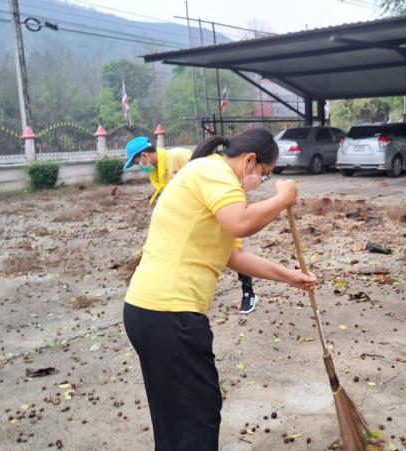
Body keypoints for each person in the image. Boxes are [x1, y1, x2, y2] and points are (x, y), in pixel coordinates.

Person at [123, 127, 316, 450]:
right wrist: (283, 198)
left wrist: (289, 276)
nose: (261, 181)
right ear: (250, 160)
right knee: (198, 417)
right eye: (264, 174)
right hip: (169, 313)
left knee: (177, 419)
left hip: (152, 312)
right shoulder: (215, 172)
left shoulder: (214, 182)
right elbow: (241, 223)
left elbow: (233, 256)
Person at [124, 136, 264, 315]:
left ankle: (248, 292)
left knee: (235, 251)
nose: (139, 166)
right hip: (194, 219)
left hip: (217, 208)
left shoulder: (178, 156)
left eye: (137, 161)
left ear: (144, 155)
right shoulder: (156, 174)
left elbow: (214, 177)